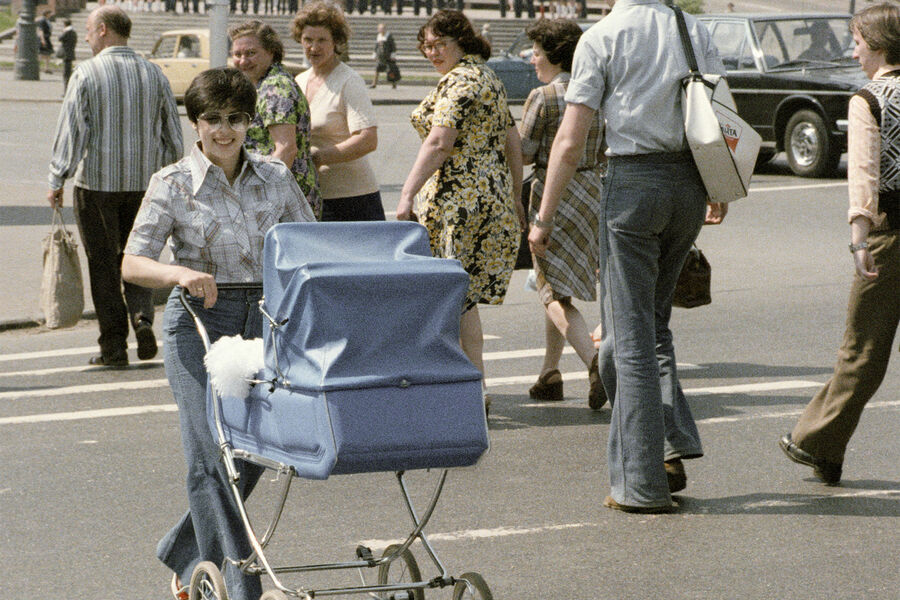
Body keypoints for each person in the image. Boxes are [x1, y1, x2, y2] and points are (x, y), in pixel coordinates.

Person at [122, 68, 315, 600]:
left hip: (265, 319)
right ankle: (238, 582)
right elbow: (132, 263)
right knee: (210, 451)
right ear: (196, 124)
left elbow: (307, 245)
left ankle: (183, 554)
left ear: (248, 123)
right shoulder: (173, 182)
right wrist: (180, 273)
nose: (224, 131)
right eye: (213, 120)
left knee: (250, 452)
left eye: (235, 119)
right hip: (199, 323)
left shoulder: (276, 177)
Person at [528, 0, 728, 513]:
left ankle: (640, 483)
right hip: (688, 183)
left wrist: (543, 218)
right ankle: (669, 443)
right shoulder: (692, 29)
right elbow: (720, 109)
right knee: (647, 325)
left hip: (633, 184)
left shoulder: (603, 36)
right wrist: (719, 183)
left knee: (631, 334)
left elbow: (570, 140)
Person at [779, 3, 900, 487]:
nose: (853, 52)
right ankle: (822, 446)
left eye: (856, 42)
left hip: (889, 234)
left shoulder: (869, 99)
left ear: (876, 44)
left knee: (861, 350)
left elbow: (864, 175)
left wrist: (858, 238)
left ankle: (817, 442)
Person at [397, 10, 525, 410]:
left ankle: (459, 389)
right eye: (427, 47)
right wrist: (515, 197)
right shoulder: (488, 77)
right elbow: (512, 142)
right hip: (491, 200)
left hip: (457, 203)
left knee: (446, 297)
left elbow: (439, 143)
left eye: (439, 45)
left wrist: (405, 195)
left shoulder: (458, 82)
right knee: (462, 299)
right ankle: (474, 387)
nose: (432, 53)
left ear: (461, 42)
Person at [47, 5, 183, 368]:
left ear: (103, 29)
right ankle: (142, 317)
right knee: (138, 256)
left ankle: (113, 347)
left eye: (89, 31)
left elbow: (73, 132)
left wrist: (57, 177)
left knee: (104, 266)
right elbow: (172, 135)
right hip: (145, 188)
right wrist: (171, 179)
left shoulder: (87, 73)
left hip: (97, 189)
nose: (87, 37)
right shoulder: (154, 74)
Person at [519, 19, 606, 409]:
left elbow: (523, 153)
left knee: (550, 288)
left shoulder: (545, 96)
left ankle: (595, 364)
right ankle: (549, 373)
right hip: (592, 191)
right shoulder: (597, 91)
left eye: (536, 52)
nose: (532, 59)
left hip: (553, 194)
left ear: (553, 55)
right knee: (558, 286)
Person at [292, 2, 385, 222]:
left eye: (322, 40)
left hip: (352, 199)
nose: (314, 47)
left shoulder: (349, 81)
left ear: (336, 42)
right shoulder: (299, 80)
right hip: (312, 195)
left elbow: (368, 139)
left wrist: (319, 157)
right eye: (308, 40)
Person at [230, 20, 321, 218]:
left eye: (251, 53)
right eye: (237, 54)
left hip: (283, 201)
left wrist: (261, 197)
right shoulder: (263, 84)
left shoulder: (275, 88)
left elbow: (285, 150)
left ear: (271, 52)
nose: (243, 61)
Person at [371, 22, 398, 89]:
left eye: (382, 29)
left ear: (385, 29)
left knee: (390, 71)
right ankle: (374, 84)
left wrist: (393, 55)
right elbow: (376, 47)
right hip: (380, 57)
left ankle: (393, 83)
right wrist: (374, 54)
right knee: (377, 70)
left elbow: (393, 47)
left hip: (388, 57)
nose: (381, 30)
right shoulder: (378, 36)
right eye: (380, 29)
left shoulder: (389, 37)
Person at [58, 17, 78, 93]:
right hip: (71, 52)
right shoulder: (73, 32)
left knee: (66, 74)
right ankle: (67, 90)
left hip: (66, 53)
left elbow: (60, 38)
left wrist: (63, 32)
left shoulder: (66, 32)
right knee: (67, 73)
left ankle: (66, 91)